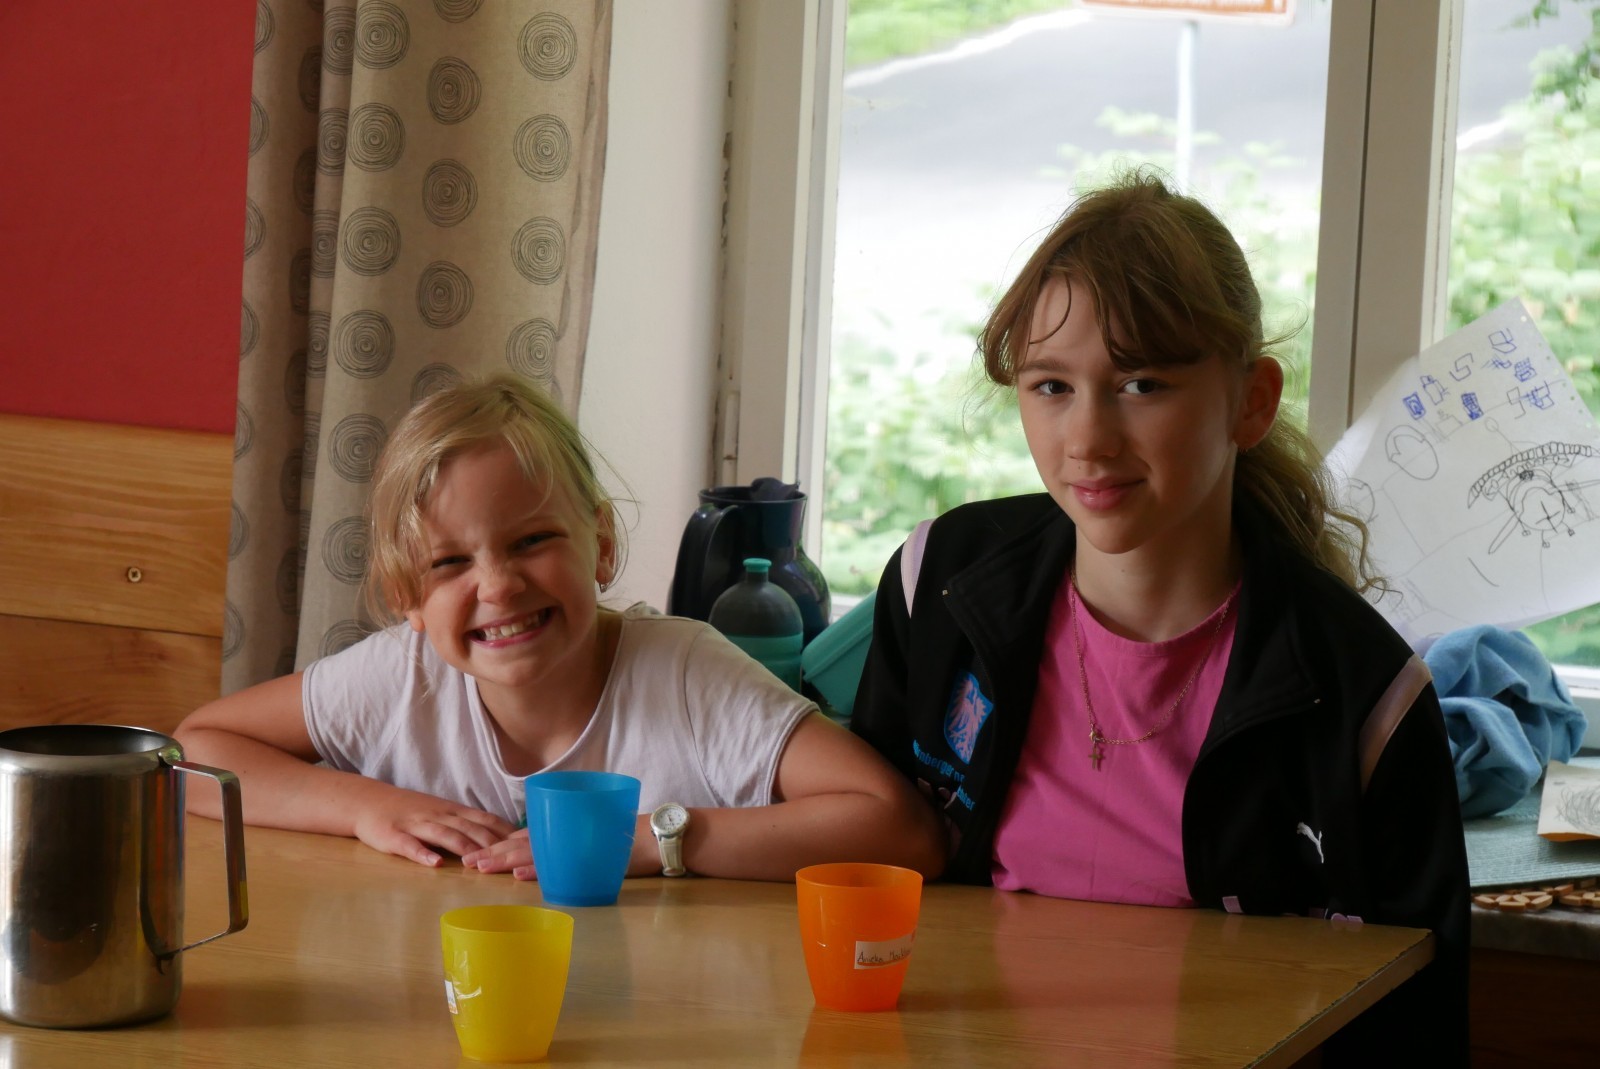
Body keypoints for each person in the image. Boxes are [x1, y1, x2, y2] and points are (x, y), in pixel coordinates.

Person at [851, 171, 1468, 1063]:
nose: (1087, 440)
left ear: (1251, 401)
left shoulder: (1368, 698)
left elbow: (1417, 1029)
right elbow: (868, 864)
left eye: (1141, 384)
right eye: (1051, 386)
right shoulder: (935, 583)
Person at [177, 373, 944, 884]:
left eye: (532, 540)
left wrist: (652, 838)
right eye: (450, 562)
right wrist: (367, 807)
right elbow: (193, 753)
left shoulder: (685, 674)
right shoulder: (400, 675)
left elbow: (904, 830)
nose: (498, 585)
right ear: (407, 595)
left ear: (600, 544)